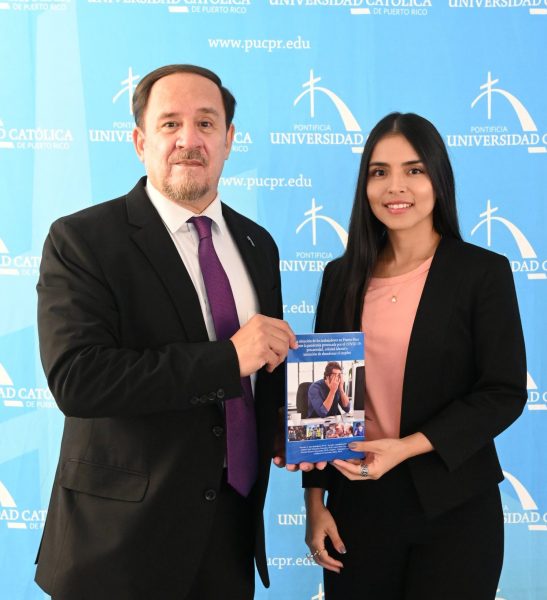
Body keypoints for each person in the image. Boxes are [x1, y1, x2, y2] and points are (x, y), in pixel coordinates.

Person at [34, 64, 298, 600]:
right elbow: (79, 379)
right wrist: (227, 359)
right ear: (140, 141)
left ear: (228, 140)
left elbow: (253, 375)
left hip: (228, 535)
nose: (188, 140)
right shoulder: (82, 240)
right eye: (170, 124)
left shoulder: (257, 244)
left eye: (205, 124)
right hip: (118, 549)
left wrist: (281, 426)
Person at [302, 112, 526, 600]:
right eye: (379, 172)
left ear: (438, 180)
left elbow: (503, 393)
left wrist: (406, 447)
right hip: (357, 505)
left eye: (414, 169)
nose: (395, 186)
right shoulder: (341, 276)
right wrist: (314, 503)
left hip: (455, 505)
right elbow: (321, 402)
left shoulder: (481, 273)